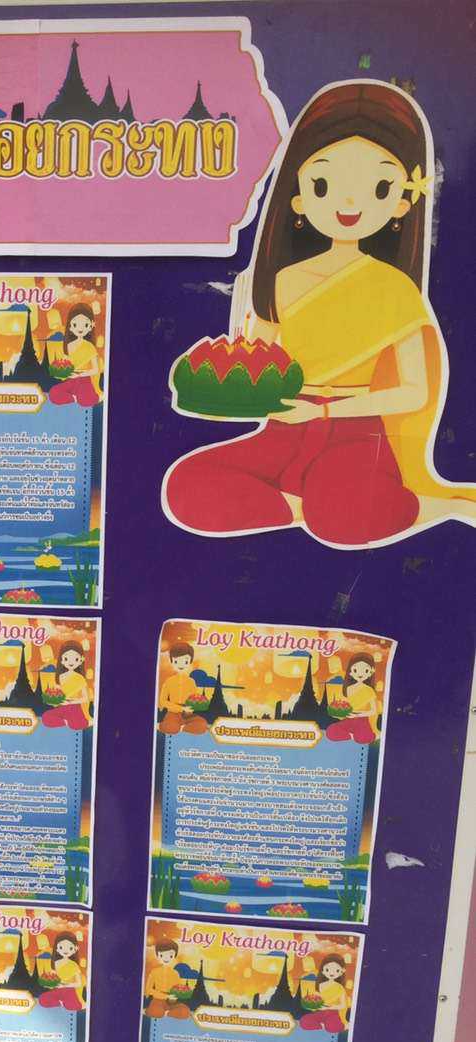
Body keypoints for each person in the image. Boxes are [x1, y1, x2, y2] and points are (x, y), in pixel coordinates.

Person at [164, 81, 476, 547]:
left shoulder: (393, 286)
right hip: (283, 432)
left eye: (378, 187)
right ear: (298, 196)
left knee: (341, 517)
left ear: (401, 203)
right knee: (184, 486)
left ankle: (439, 505)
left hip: (354, 434)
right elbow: (259, 369)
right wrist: (227, 394)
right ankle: (303, 507)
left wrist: (328, 408)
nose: (348, 204)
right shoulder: (282, 280)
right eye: (324, 185)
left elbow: (413, 393)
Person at [48, 304, 102, 407]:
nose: (80, 328)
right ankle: (74, 398)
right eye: (75, 324)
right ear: (70, 327)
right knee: (53, 393)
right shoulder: (69, 345)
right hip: (71, 380)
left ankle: (88, 397)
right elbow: (67, 364)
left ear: (91, 326)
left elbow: (95, 370)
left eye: (85, 325)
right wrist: (60, 371)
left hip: (84, 380)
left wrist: (80, 375)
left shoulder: (89, 346)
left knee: (86, 401)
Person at [326, 652, 379, 743]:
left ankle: (366, 735)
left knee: (363, 738)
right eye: (355, 670)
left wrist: (357, 715)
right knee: (330, 732)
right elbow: (347, 706)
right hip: (348, 720)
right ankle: (351, 735)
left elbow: (373, 711)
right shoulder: (349, 688)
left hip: (362, 721)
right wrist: (338, 712)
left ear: (371, 672)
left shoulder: (369, 690)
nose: (360, 674)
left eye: (365, 671)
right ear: (350, 672)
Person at [157, 643, 208, 735]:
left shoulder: (191, 682)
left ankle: (181, 728)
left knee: (203, 724)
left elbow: (195, 698)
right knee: (171, 726)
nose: (181, 665)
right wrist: (180, 708)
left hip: (188, 715)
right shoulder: (169, 681)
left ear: (190, 662)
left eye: (185, 662)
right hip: (173, 713)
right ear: (172, 662)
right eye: (176, 661)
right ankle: (168, 726)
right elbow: (163, 701)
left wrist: (197, 705)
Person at [41, 641, 92, 730]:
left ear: (81, 660)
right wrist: (53, 699)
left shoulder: (80, 678)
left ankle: (74, 722)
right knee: (45, 718)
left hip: (75, 708)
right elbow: (58, 694)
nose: (71, 662)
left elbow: (85, 699)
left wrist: (70, 702)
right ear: (62, 661)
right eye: (66, 659)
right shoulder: (60, 676)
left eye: (75, 659)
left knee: (76, 725)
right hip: (62, 707)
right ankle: (67, 721)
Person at [299, 954, 349, 1032]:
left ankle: (335, 1025)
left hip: (333, 1013)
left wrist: (328, 1007)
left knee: (332, 1027)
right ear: (323, 971)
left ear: (341, 971)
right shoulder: (320, 985)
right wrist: (312, 1006)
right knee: (303, 1021)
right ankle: (322, 1025)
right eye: (327, 970)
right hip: (320, 1012)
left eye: (336, 970)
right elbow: (315, 1000)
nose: (331, 973)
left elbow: (343, 1005)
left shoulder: (340, 987)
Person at [144, 938, 191, 1019]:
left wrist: (178, 995)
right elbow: (148, 990)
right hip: (158, 1000)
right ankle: (157, 1011)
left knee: (186, 1011)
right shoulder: (154, 972)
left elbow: (178, 989)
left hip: (171, 1002)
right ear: (157, 956)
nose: (166, 958)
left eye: (170, 956)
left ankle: (167, 1013)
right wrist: (165, 996)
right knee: (157, 1011)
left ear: (174, 956)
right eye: (162, 955)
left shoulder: (175, 973)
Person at [39, 933, 85, 1010]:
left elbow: (78, 983)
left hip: (69, 991)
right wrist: (49, 984)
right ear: (57, 949)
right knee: (42, 1000)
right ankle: (60, 1002)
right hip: (58, 990)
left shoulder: (74, 965)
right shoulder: (56, 963)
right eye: (61, 947)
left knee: (71, 1006)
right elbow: (53, 979)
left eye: (70, 948)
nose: (65, 950)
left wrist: (64, 985)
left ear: (75, 949)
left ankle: (64, 1002)